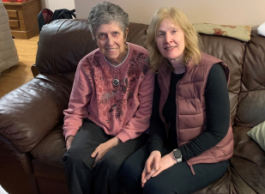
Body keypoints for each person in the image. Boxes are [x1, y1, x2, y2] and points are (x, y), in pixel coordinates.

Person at [120, 7, 233, 194]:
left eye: (174, 31)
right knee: (129, 171)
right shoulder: (161, 71)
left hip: (209, 153)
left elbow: (217, 132)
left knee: (157, 187)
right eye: (161, 34)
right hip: (172, 143)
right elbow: (156, 119)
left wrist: (174, 157)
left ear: (186, 35)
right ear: (155, 41)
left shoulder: (212, 71)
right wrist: (155, 150)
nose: (168, 39)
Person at [62, 2, 154, 194]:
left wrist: (112, 143)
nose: (109, 42)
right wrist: (71, 140)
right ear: (94, 37)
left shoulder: (144, 61)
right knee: (74, 159)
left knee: (111, 163)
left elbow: (145, 113)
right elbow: (76, 108)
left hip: (132, 129)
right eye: (102, 35)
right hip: (96, 125)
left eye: (115, 33)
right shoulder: (87, 64)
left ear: (125, 33)